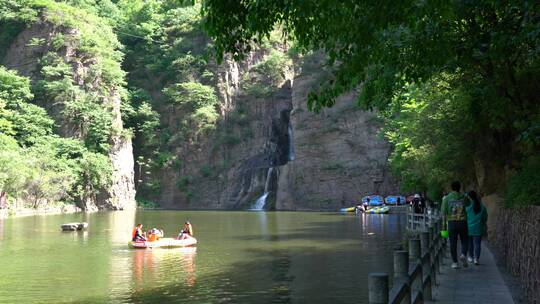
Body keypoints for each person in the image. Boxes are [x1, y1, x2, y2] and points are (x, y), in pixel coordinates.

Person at [441, 181, 470, 268]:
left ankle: (455, 262)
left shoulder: (447, 198)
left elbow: (443, 213)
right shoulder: (464, 197)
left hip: (452, 222)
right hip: (462, 222)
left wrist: (444, 226)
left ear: (451, 188)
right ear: (459, 187)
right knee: (465, 240)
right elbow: (469, 203)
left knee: (453, 243)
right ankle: (463, 254)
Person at [466, 191, 488, 265]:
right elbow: (485, 217)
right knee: (477, 244)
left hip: (469, 228)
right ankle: (476, 259)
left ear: (469, 197)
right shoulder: (482, 207)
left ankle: (471, 257)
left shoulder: (467, 208)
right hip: (478, 228)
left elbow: (465, 218)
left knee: (470, 243)